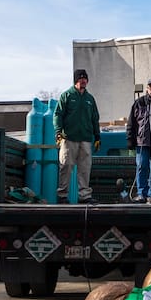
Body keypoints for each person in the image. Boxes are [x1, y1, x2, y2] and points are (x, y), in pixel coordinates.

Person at [54, 69, 101, 204]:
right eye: (80, 79)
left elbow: (95, 118)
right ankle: (62, 195)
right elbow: (58, 114)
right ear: (75, 81)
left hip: (85, 139)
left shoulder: (90, 99)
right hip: (68, 138)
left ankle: (84, 196)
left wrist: (97, 136)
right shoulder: (67, 95)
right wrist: (58, 131)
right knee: (66, 166)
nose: (83, 81)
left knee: (85, 168)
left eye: (85, 79)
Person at [126, 78, 151, 203]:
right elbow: (131, 123)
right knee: (142, 166)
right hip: (142, 142)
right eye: (150, 87)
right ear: (147, 89)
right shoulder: (139, 103)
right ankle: (142, 193)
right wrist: (130, 140)